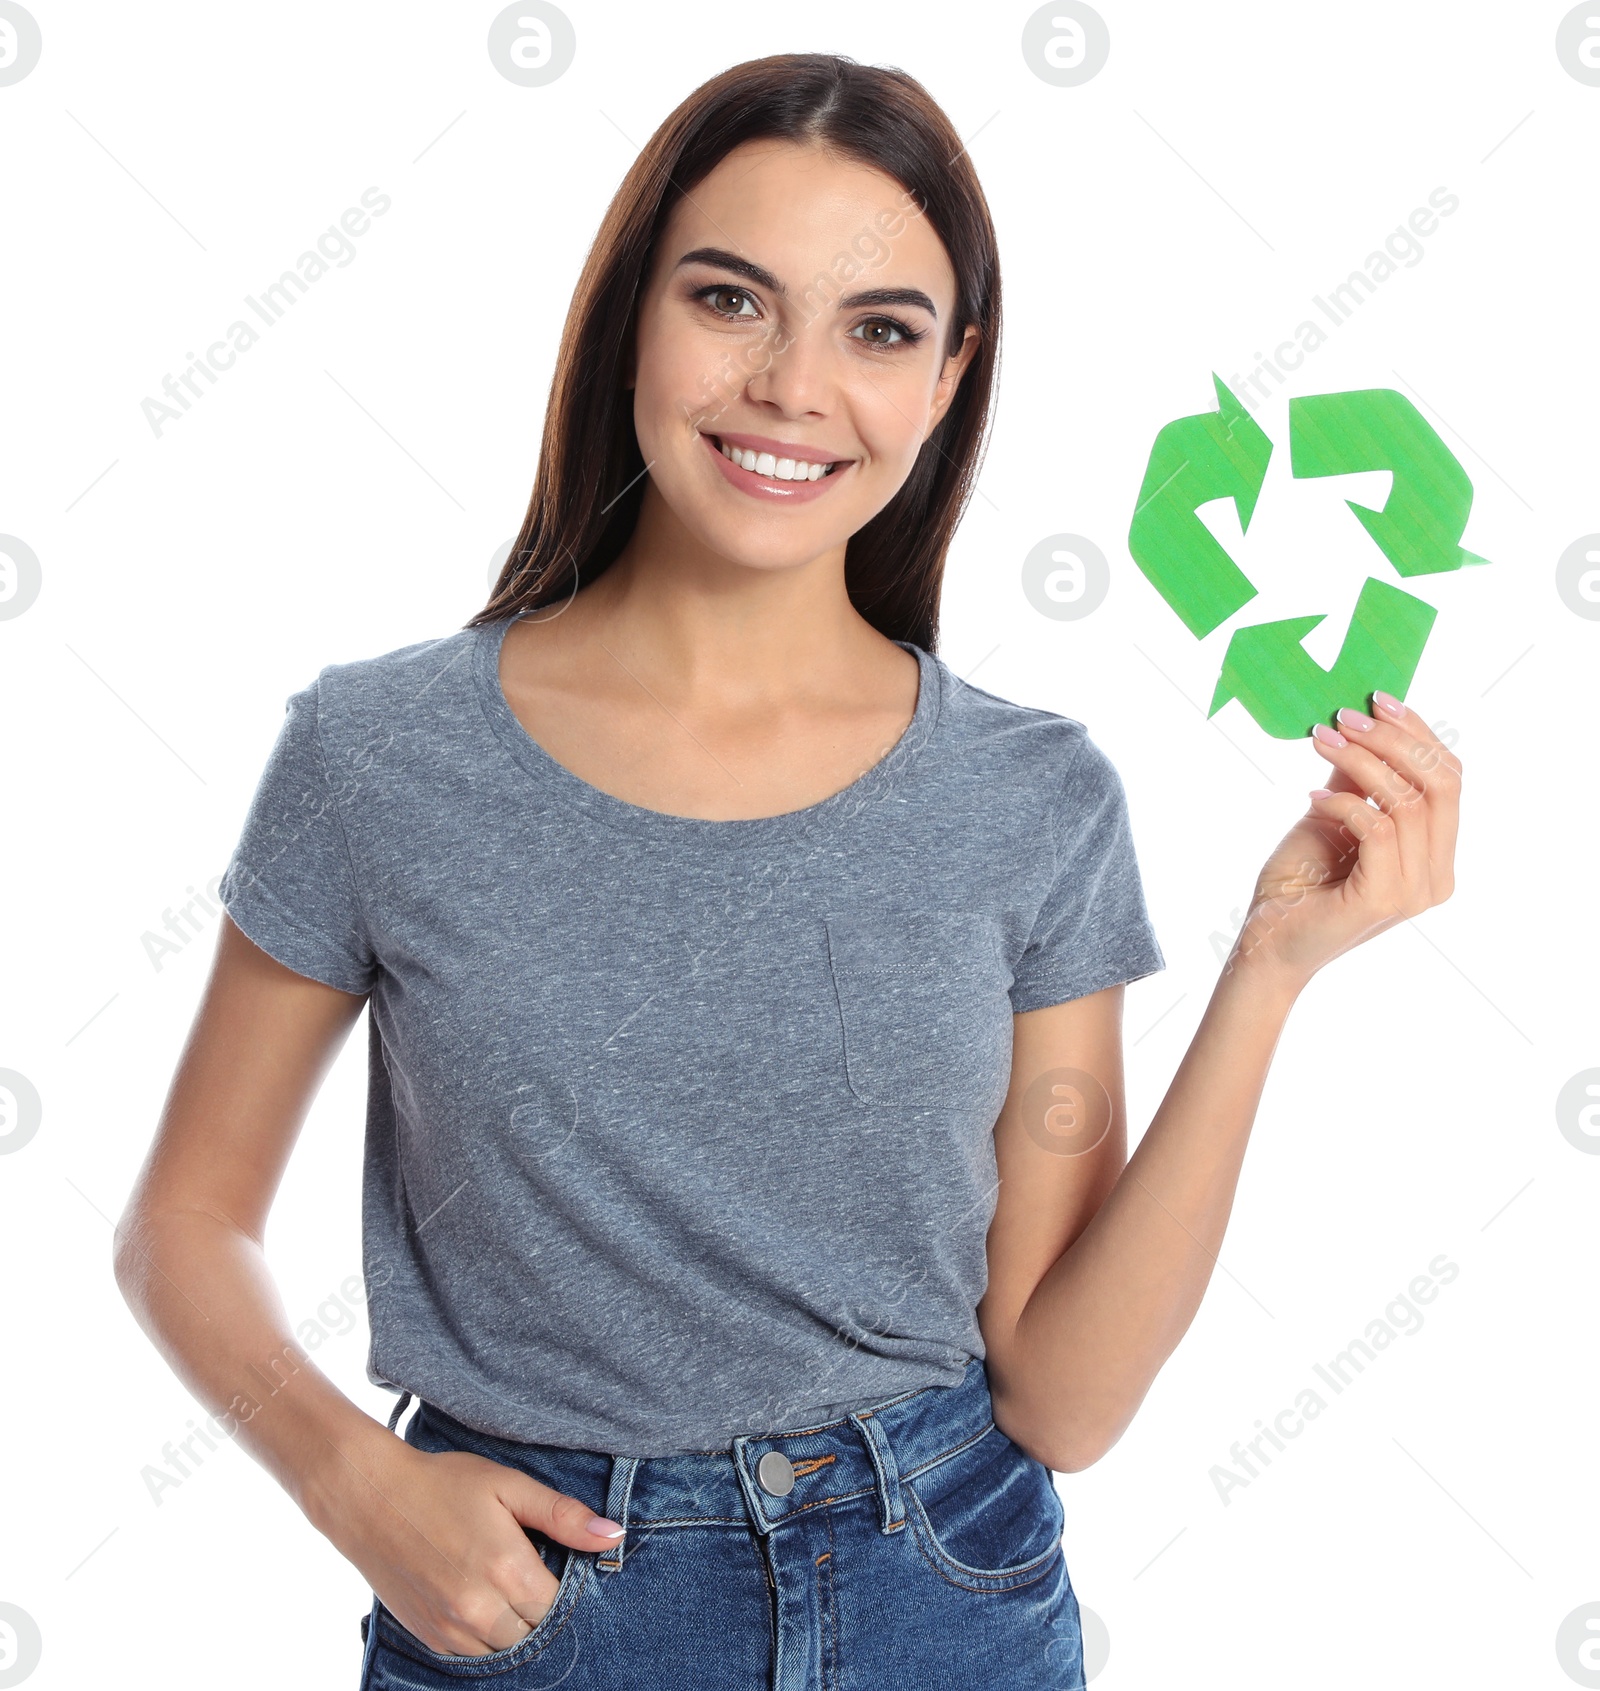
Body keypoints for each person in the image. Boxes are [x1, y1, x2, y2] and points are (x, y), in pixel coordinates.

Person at [113, 52, 1462, 1690]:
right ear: (633, 316)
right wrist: (354, 1481)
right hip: (531, 1601)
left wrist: (1270, 968)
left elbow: (1068, 1399)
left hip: (945, 1591)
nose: (793, 385)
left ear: (953, 372)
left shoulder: (1030, 797)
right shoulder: (380, 756)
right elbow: (182, 1221)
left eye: (880, 328)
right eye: (731, 300)